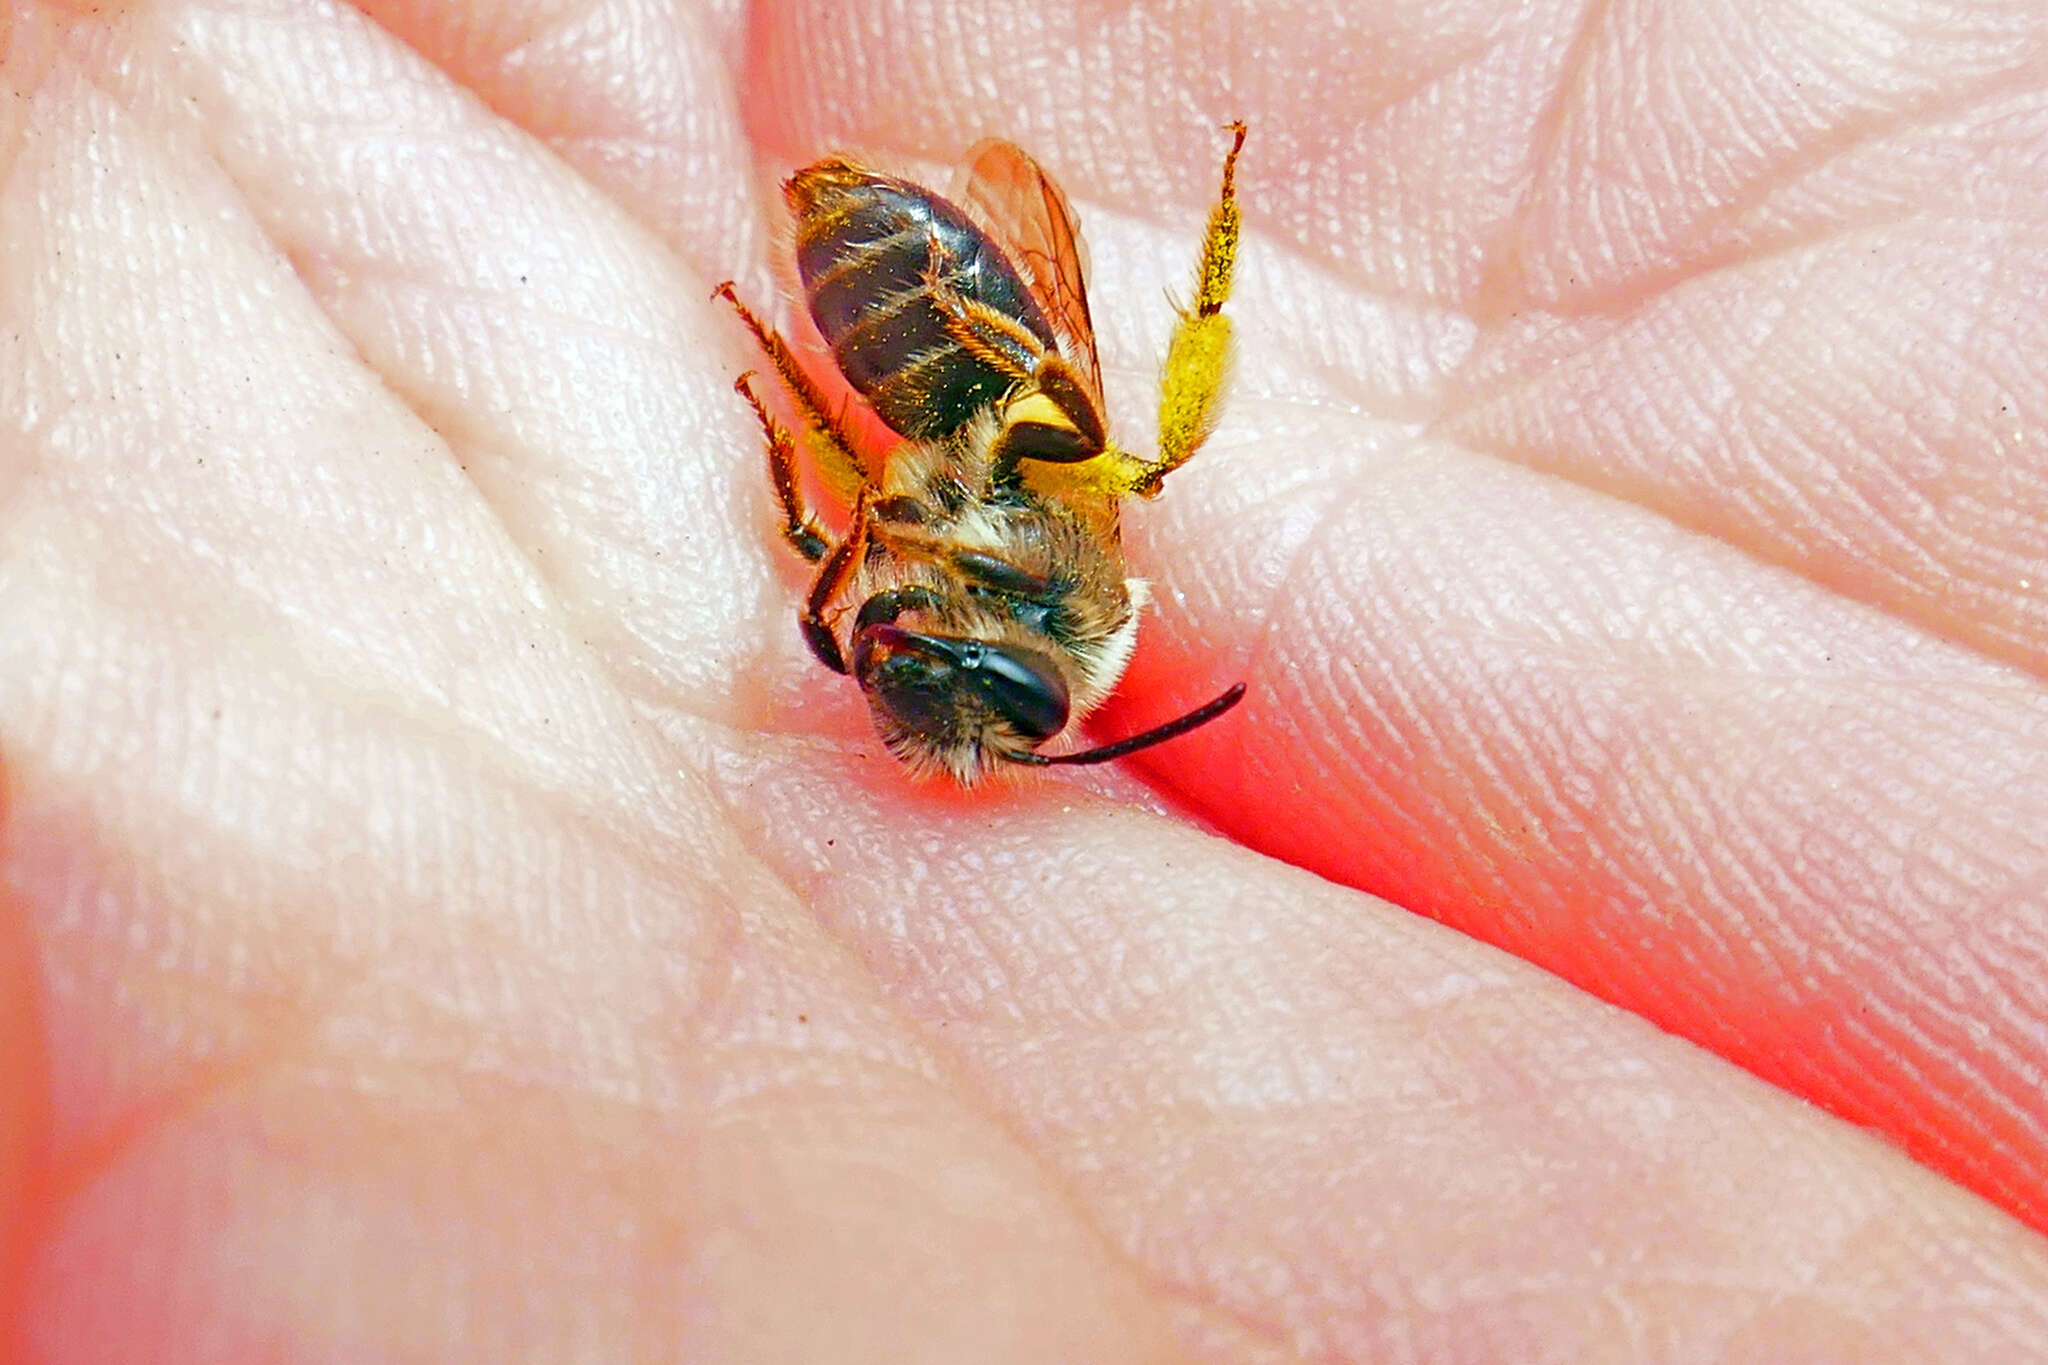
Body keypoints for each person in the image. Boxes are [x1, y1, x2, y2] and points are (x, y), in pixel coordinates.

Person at [5, 0, 2048, 1357]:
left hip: (885, 359)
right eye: (962, 668)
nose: (922, 656)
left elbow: (852, 532)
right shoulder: (1083, 506)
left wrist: (808, 430)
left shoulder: (901, 550)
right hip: (953, 335)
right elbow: (887, 518)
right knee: (1107, 442)